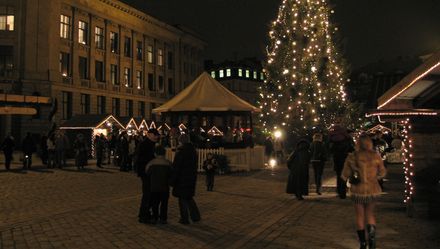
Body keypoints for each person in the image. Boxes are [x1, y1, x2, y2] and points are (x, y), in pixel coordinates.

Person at [342, 134, 386, 249]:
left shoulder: (352, 156)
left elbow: (344, 174)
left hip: (358, 191)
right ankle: (371, 241)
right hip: (372, 189)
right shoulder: (375, 156)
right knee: (370, 214)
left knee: (359, 216)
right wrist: (375, 177)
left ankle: (362, 243)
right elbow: (382, 172)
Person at [171, 134, 201, 224]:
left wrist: (172, 180)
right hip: (190, 177)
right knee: (188, 197)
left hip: (182, 178)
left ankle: (184, 218)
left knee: (182, 199)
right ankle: (195, 216)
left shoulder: (181, 152)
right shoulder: (193, 151)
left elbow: (176, 167)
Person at [135, 128, 160, 224]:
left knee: (150, 193)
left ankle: (145, 213)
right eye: (155, 135)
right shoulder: (145, 144)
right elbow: (142, 159)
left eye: (157, 135)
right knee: (147, 194)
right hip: (146, 172)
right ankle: (143, 215)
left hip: (149, 172)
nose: (157, 136)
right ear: (149, 134)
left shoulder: (151, 144)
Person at [145, 145, 172, 224]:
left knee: (155, 203)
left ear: (155, 153)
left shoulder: (151, 163)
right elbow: (171, 174)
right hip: (165, 187)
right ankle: (163, 218)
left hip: (154, 187)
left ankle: (155, 217)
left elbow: (147, 173)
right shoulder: (168, 163)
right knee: (164, 204)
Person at [329, 123, 354, 199]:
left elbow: (330, 149)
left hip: (336, 159)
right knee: (344, 175)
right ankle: (343, 193)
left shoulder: (331, 138)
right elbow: (351, 148)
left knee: (338, 176)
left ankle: (339, 192)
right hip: (345, 159)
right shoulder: (346, 138)